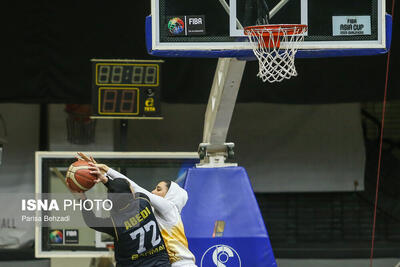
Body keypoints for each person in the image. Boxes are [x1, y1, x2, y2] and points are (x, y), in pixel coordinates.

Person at [78, 152, 197, 267]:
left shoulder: (169, 209)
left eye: (158, 189)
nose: (153, 192)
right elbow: (126, 191)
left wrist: (106, 170)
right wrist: (106, 179)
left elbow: (133, 187)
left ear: (170, 195)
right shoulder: (148, 209)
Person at [70, 175, 171, 267]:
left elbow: (91, 220)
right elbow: (129, 191)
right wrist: (107, 181)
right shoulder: (143, 201)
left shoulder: (115, 223)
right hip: (161, 263)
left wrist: (82, 199)